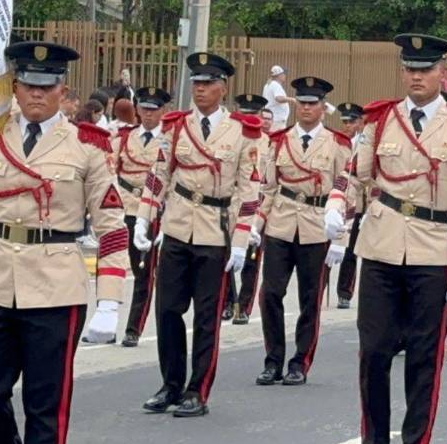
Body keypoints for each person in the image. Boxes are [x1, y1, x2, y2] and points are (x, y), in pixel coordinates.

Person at [0, 42, 130, 444]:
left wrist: (111, 300)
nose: (36, 95)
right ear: (14, 88)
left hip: (56, 285)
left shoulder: (88, 146)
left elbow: (112, 225)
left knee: (46, 404)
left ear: (63, 90)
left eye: (47, 86)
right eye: (27, 86)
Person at [324, 33, 447, 444]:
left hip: (432, 250)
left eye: (426, 68)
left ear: (443, 74)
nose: (416, 76)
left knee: (422, 356)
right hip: (378, 245)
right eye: (410, 68)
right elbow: (355, 176)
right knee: (373, 352)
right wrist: (337, 204)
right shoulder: (380, 121)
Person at [135, 51, 263, 418]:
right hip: (176, 227)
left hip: (214, 231)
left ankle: (197, 389)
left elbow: (248, 190)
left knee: (207, 317)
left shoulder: (242, 132)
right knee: (169, 311)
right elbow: (159, 175)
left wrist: (240, 241)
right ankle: (170, 384)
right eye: (196, 83)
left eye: (208, 83)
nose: (201, 89)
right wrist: (145, 218)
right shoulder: (175, 126)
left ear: (223, 88)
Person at [252, 76, 351, 386]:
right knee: (270, 293)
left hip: (317, 226)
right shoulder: (279, 141)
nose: (307, 108)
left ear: (323, 108)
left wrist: (341, 239)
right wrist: (256, 226)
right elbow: (268, 189)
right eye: (303, 103)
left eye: (313, 103)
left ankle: (300, 361)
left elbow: (347, 192)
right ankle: (273, 360)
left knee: (310, 299)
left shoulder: (337, 144)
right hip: (281, 224)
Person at [114, 87, 171, 348]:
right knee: (114, 267)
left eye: (154, 109)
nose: (148, 114)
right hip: (124, 208)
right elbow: (109, 170)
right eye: (144, 108)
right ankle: (106, 321)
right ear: (137, 110)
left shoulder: (169, 140)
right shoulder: (124, 138)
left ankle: (133, 327)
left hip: (152, 212)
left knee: (143, 272)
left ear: (163, 111)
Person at [227, 93, 271, 326]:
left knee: (251, 258)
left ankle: (243, 306)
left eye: (253, 114)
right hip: (228, 201)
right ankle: (226, 300)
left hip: (255, 203)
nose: (248, 119)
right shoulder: (228, 136)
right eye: (244, 114)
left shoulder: (268, 142)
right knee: (224, 254)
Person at [334, 102, 367, 309]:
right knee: (328, 249)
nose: (347, 125)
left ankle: (344, 292)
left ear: (360, 122)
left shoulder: (364, 142)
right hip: (336, 201)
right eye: (344, 121)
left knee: (350, 251)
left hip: (358, 205)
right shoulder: (337, 142)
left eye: (351, 121)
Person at [263, 65, 294, 130]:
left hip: (272, 119)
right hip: (277, 120)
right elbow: (279, 98)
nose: (285, 76)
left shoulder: (268, 85)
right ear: (279, 75)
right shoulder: (275, 85)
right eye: (284, 74)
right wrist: (292, 99)